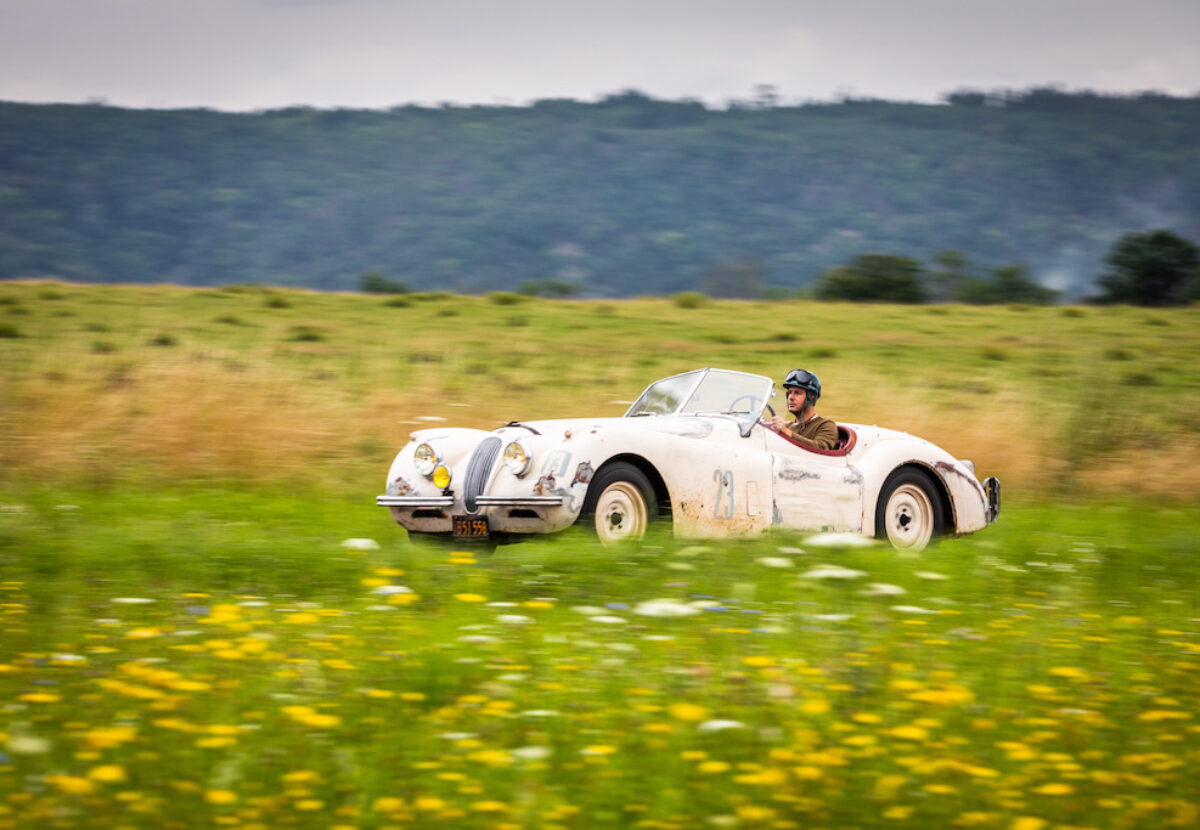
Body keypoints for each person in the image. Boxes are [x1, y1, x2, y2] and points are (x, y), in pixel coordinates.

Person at [768, 368, 839, 450]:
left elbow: (821, 448)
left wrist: (786, 432)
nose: (791, 397)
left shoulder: (825, 425)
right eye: (790, 392)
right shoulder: (787, 426)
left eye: (797, 393)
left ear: (811, 397)